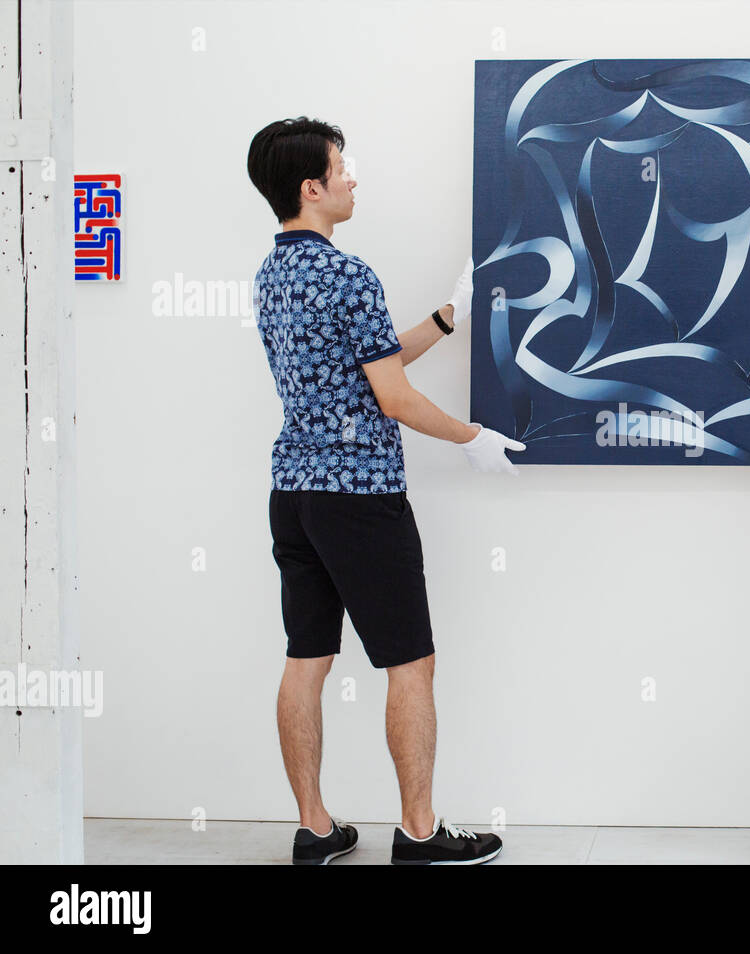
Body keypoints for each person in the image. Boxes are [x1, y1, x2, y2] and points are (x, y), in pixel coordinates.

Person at [246, 117, 522, 865]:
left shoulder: (272, 275)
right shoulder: (348, 273)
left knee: (307, 657)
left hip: (294, 492)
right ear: (313, 187)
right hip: (359, 497)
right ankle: (422, 834)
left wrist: (445, 316)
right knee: (410, 663)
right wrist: (473, 438)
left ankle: (314, 828)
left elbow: (370, 359)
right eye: (343, 167)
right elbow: (391, 398)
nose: (353, 178)